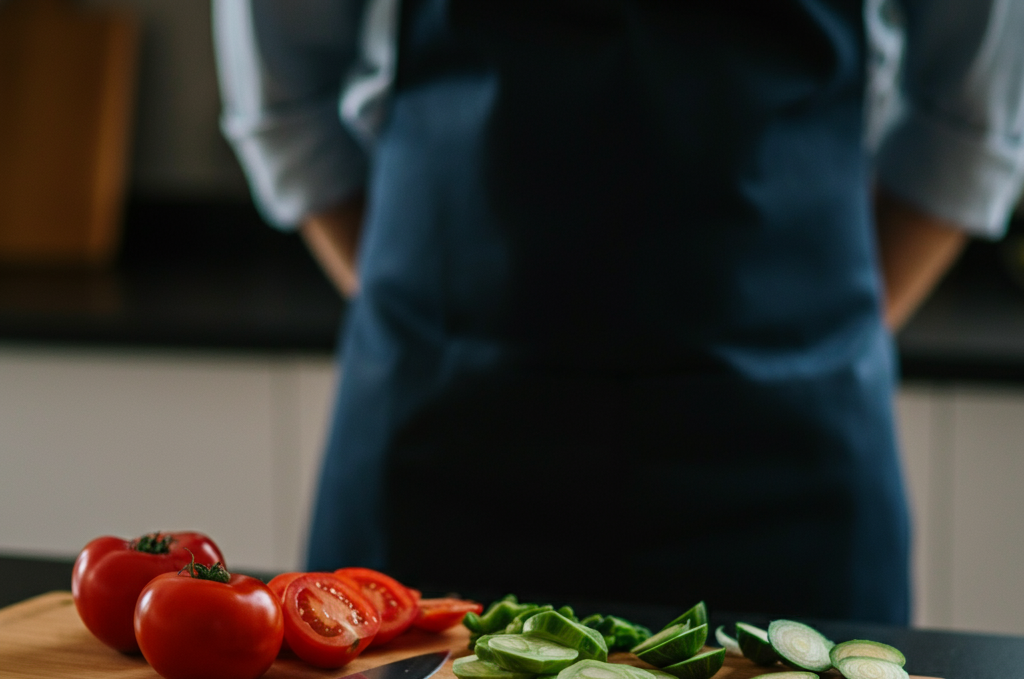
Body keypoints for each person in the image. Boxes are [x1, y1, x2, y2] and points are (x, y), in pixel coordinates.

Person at [214, 0, 1024, 621]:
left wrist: (817, 330)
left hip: (792, 462)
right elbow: (286, 109)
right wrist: (428, 309)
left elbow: (969, 126)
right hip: (438, 441)